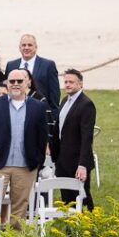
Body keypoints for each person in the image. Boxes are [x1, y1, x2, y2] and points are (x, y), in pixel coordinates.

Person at [0, 67, 49, 227]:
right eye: (12, 81)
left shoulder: (38, 107)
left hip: (25, 166)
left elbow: (42, 136)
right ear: (7, 84)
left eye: (20, 81)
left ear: (27, 83)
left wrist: (37, 161)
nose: (16, 84)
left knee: (19, 207)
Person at [51, 69, 97, 210]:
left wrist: (82, 165)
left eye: (71, 82)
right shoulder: (65, 100)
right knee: (67, 200)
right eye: (65, 82)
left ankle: (90, 227)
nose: (68, 85)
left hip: (78, 162)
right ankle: (70, 231)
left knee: (82, 197)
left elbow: (86, 137)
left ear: (80, 84)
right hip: (62, 160)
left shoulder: (86, 104)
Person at [4, 34, 60, 112]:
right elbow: (7, 89)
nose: (26, 48)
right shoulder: (11, 65)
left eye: (30, 45)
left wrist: (53, 117)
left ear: (36, 47)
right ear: (19, 48)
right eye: (23, 45)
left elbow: (54, 94)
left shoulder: (48, 65)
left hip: (40, 111)